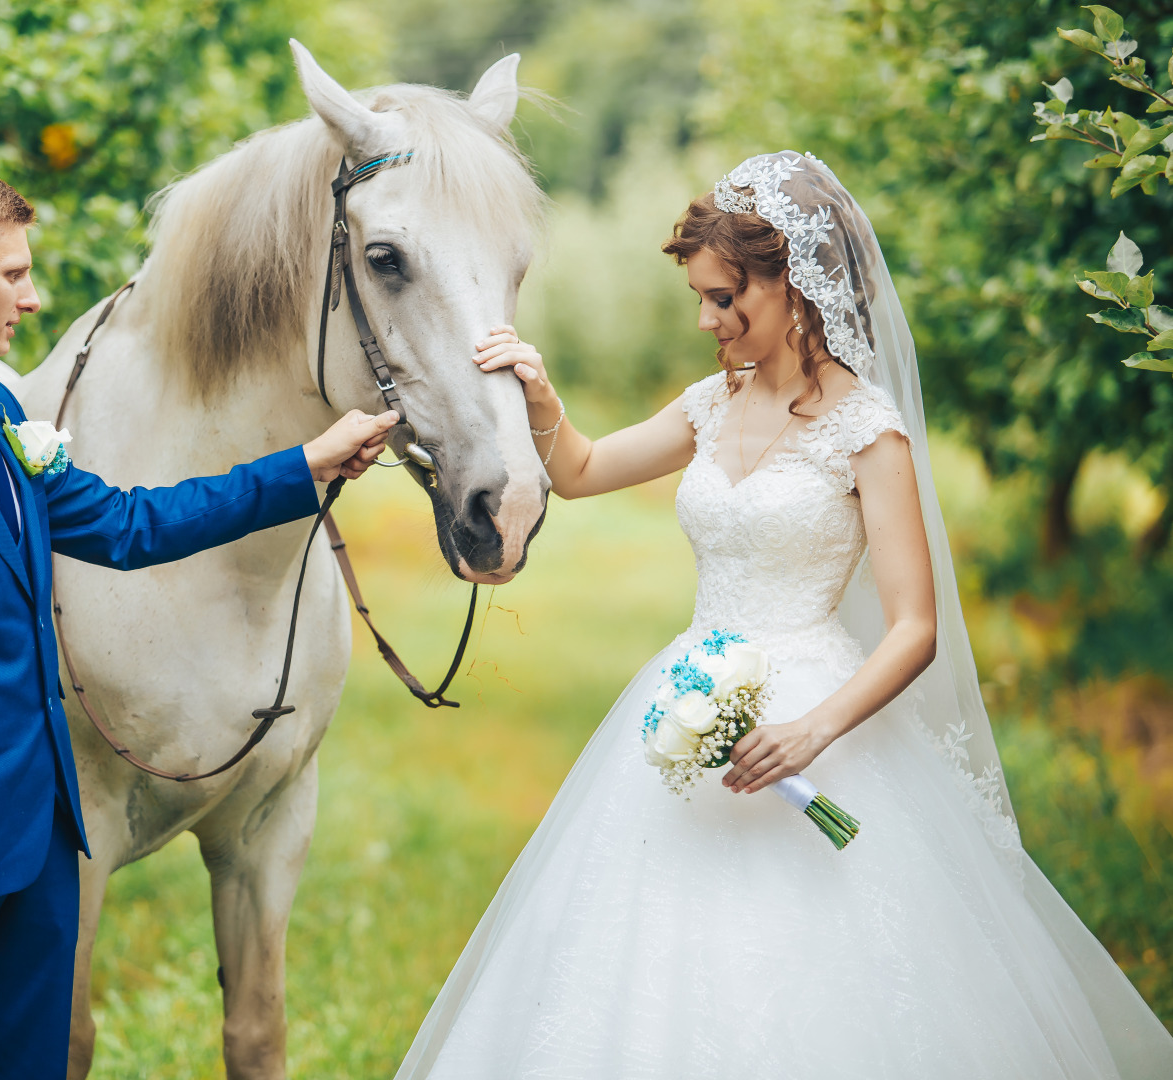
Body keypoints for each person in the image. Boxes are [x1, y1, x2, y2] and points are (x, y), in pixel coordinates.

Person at [394, 151, 1173, 1079]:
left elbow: (914, 626)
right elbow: (583, 470)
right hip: (690, 699)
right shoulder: (709, 405)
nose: (705, 319)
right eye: (700, 298)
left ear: (793, 285)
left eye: (725, 299)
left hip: (818, 718)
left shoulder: (865, 431)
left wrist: (810, 733)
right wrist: (542, 398)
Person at [0, 158, 397, 1080]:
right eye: (14, 274)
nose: (31, 302)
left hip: (41, 844)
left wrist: (302, 466)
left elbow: (127, 525)